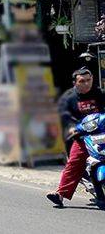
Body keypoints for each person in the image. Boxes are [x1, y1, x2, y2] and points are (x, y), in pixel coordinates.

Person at [46, 67, 105, 207]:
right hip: (83, 138)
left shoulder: (100, 94)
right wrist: (72, 127)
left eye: (89, 80)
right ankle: (60, 195)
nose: (86, 84)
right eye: (82, 81)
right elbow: (64, 116)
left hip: (102, 135)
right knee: (74, 163)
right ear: (75, 83)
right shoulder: (69, 98)